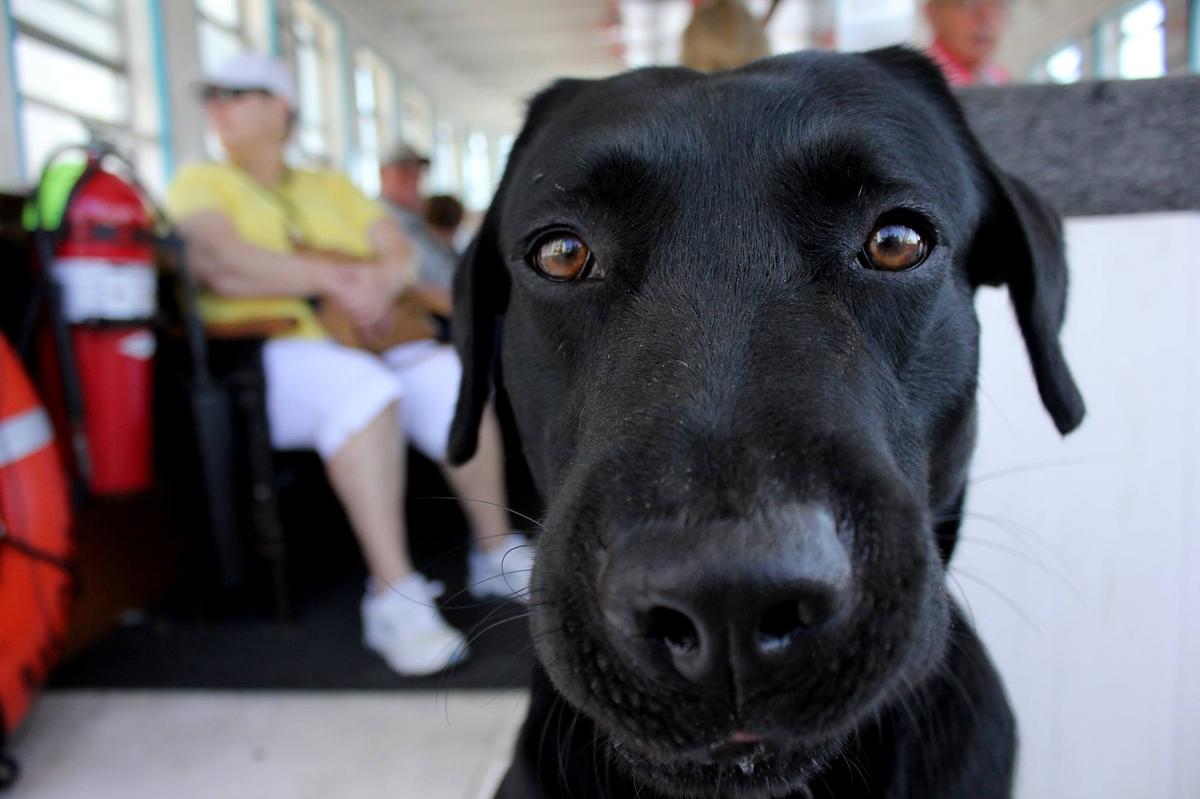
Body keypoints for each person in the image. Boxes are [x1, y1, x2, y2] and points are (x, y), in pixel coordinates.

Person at [166, 53, 531, 677]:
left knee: (451, 384)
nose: (217, 106)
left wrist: (378, 282)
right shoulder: (201, 180)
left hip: (369, 339)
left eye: (236, 93)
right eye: (213, 95)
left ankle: (494, 554)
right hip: (270, 351)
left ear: (279, 108)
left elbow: (398, 255)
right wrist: (336, 277)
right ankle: (392, 594)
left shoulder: (327, 185)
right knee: (363, 395)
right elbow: (216, 260)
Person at [924, 0, 1012, 87]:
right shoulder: (922, 82)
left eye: (998, 3)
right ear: (933, 12)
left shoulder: (1002, 81)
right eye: (969, 3)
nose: (986, 16)